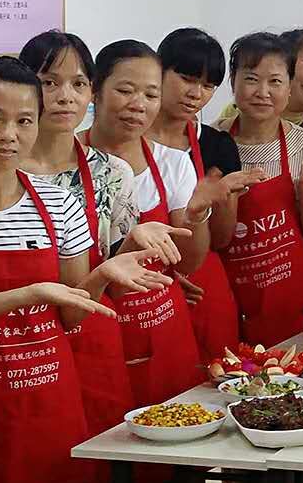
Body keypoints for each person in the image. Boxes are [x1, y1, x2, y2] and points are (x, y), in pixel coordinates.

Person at [0, 56, 171, 483]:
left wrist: (104, 273)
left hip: (49, 397)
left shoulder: (58, 203)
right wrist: (30, 294)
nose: (9, 135)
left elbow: (72, 313)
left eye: (24, 120)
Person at [19, 29, 182, 437]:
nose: (65, 97)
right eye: (49, 82)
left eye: (78, 84)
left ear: (91, 92)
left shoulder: (112, 173)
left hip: (91, 339)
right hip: (17, 345)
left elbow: (118, 281)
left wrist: (136, 243)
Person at [83, 40, 251, 407]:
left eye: (150, 94)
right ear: (95, 89)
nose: (138, 104)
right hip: (98, 325)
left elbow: (188, 261)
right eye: (125, 91)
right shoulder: (68, 166)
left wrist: (197, 213)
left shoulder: (173, 163)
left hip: (164, 322)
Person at [217, 32, 303, 345]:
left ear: (289, 87)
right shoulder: (211, 143)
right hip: (232, 300)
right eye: (251, 79)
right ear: (233, 81)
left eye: (275, 82)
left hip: (294, 302)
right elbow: (215, 239)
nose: (262, 92)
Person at [150, 28, 242, 360]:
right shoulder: (126, 143)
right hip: (145, 283)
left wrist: (219, 200)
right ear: (158, 71)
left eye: (207, 86)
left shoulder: (217, 146)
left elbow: (223, 239)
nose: (195, 94)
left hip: (204, 283)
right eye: (186, 79)